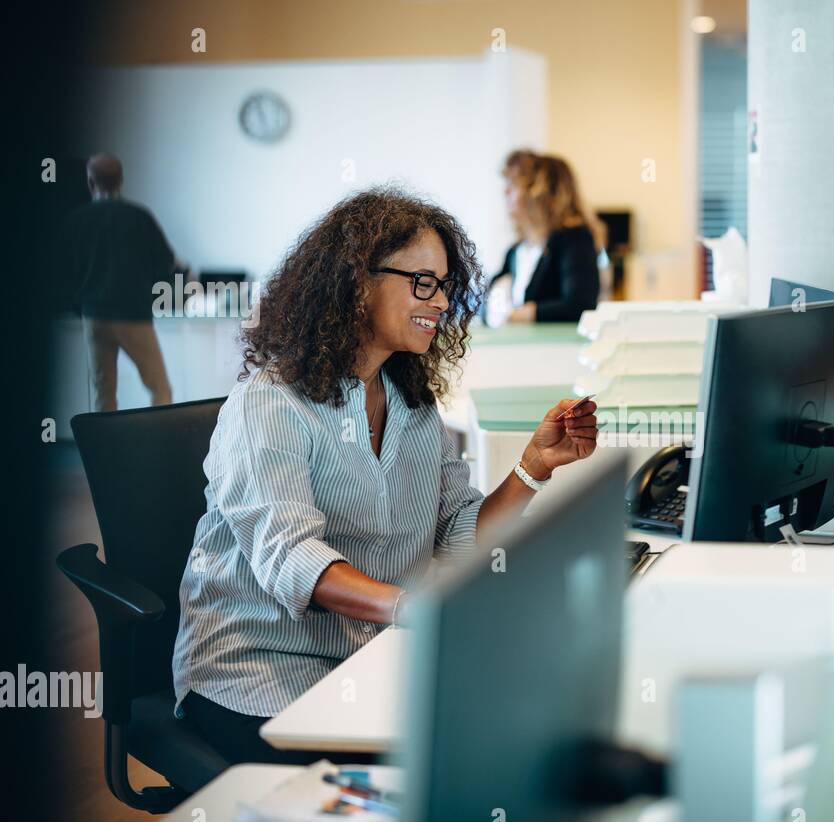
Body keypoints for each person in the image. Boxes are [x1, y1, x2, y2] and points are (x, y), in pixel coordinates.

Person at [171, 188, 600, 765]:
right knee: (449, 756)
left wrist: (533, 468)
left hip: (372, 655)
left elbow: (456, 531)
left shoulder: (412, 403)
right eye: (422, 281)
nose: (440, 300)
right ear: (356, 284)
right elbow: (293, 561)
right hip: (257, 670)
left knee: (523, 720)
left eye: (445, 284)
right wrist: (413, 609)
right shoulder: (269, 405)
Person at [64, 153, 175, 411]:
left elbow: (65, 273)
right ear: (121, 180)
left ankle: (103, 450)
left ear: (91, 182)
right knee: (159, 387)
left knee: (103, 393)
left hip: (94, 316)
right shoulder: (139, 217)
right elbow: (166, 261)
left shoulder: (77, 220)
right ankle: (162, 443)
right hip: (132, 315)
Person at [483, 150, 602, 324]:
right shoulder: (516, 250)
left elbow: (580, 304)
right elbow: (486, 301)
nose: (505, 192)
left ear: (539, 193)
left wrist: (517, 315)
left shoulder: (574, 239)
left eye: (514, 185)